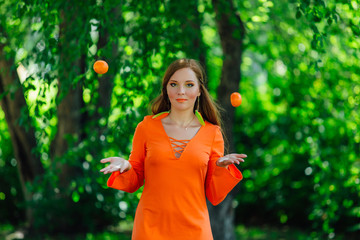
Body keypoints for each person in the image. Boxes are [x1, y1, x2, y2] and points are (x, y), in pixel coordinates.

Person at [100, 58, 247, 240]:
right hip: (150, 227)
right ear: (166, 88)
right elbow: (134, 181)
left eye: (189, 84)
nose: (181, 91)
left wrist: (221, 168)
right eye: (174, 84)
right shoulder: (146, 127)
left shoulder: (212, 133)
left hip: (194, 228)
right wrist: (127, 166)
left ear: (199, 90)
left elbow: (214, 194)